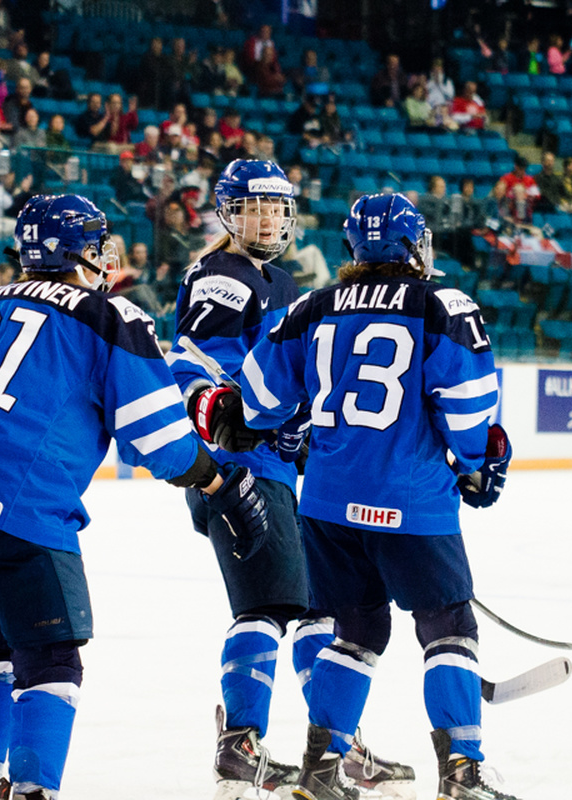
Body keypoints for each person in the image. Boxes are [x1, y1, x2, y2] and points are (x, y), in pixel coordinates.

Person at [0, 194, 270, 800]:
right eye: (96, 244)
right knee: (51, 661)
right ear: (80, 253)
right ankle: (33, 790)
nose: (104, 257)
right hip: (19, 506)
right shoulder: (111, 318)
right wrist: (221, 483)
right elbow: (163, 441)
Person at [235, 192, 517, 800]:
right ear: (413, 245)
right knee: (448, 627)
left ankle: (321, 770)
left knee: (356, 631)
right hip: (411, 501)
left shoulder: (311, 305)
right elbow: (470, 412)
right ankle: (464, 772)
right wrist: (479, 464)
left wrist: (289, 422)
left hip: (329, 506)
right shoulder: (441, 304)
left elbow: (257, 399)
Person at [166, 161, 413, 799]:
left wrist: (303, 423)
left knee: (311, 610)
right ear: (226, 212)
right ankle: (240, 745)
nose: (269, 219)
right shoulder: (222, 275)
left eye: (278, 208)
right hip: (237, 469)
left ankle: (337, 745)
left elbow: (289, 378)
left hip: (275, 468)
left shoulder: (280, 280)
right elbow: (195, 362)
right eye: (253, 208)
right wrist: (224, 410)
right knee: (269, 605)